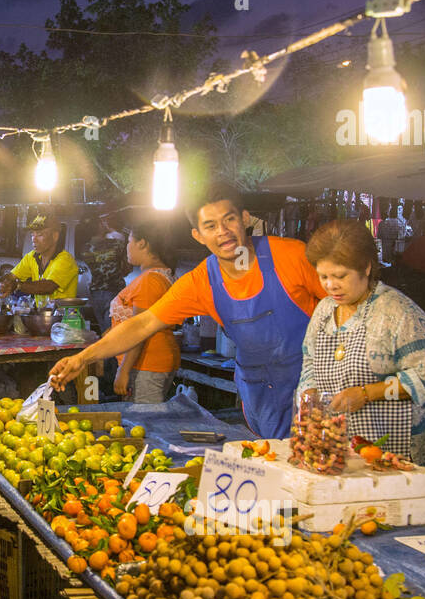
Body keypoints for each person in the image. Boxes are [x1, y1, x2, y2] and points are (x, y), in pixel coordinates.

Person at [51, 182, 328, 439]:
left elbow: (345, 306)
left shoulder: (293, 256)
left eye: (229, 219)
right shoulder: (201, 282)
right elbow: (142, 324)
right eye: (210, 225)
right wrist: (82, 358)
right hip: (259, 395)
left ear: (245, 219)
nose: (223, 231)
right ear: (198, 235)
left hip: (315, 386)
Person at [298, 219, 425, 471]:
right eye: (323, 276)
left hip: (397, 453)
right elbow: (310, 361)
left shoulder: (398, 312)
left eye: (340, 276)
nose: (330, 285)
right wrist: (308, 394)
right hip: (340, 451)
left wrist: (366, 394)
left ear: (366, 267)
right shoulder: (324, 310)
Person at [110, 218, 179, 403]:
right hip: (150, 362)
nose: (127, 247)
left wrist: (123, 370)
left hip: (147, 364)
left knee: (145, 425)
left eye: (129, 242)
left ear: (142, 244)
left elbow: (139, 330)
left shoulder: (150, 281)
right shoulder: (159, 275)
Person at [0, 212, 78, 307]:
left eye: (40, 234)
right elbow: (11, 276)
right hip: (44, 317)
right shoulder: (31, 257)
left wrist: (17, 286)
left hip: (64, 319)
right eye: (33, 234)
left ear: (55, 236)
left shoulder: (65, 260)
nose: (34, 239)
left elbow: (47, 287)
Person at [81, 214, 130, 336]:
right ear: (98, 227)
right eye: (101, 223)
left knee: (104, 331)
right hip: (114, 291)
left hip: (95, 292)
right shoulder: (116, 244)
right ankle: (112, 355)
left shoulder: (85, 248)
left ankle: (106, 354)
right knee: (114, 333)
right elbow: (127, 267)